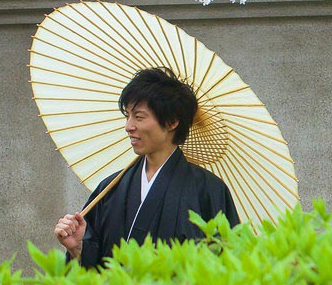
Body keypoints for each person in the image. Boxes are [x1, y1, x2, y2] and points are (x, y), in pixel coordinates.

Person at [54, 67, 239, 268]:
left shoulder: (208, 190)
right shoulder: (110, 189)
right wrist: (79, 248)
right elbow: (92, 275)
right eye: (127, 116)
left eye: (139, 117)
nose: (129, 126)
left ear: (172, 121)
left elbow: (227, 265)